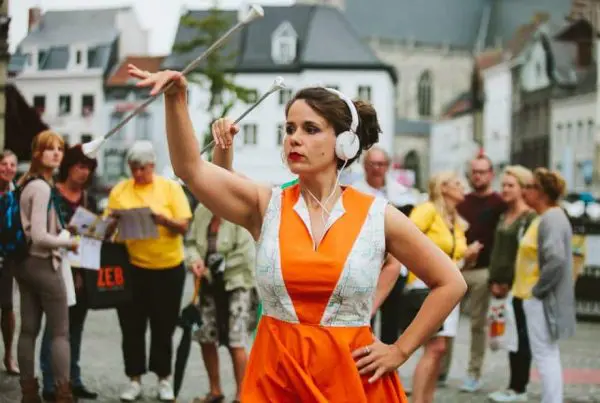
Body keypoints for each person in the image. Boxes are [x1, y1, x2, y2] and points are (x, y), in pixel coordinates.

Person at [128, 64, 467, 401]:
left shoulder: (378, 215)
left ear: (345, 142)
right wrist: (176, 98)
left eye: (310, 129)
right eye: (289, 128)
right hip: (276, 378)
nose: (294, 138)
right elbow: (190, 168)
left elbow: (450, 283)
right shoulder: (266, 205)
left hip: (350, 380)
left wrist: (400, 350)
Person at [105, 140, 192, 402]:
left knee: (163, 326)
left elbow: (184, 226)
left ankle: (164, 378)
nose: (137, 173)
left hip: (168, 269)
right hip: (132, 268)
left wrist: (163, 219)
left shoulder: (170, 188)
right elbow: (105, 230)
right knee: (131, 326)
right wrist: (113, 221)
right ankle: (134, 379)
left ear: (152, 165)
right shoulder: (120, 190)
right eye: (133, 168)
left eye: (142, 168)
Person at [404, 171, 482, 403]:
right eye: (457, 183)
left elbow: (456, 260)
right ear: (443, 187)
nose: (463, 188)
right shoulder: (428, 210)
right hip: (425, 285)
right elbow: (404, 237)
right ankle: (418, 400)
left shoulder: (455, 220)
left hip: (447, 288)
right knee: (435, 347)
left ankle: (427, 399)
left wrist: (469, 255)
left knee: (440, 350)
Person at [14, 130, 80, 403]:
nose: (56, 154)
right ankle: (64, 393)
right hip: (43, 264)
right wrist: (68, 243)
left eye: (60, 149)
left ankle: (28, 393)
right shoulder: (41, 188)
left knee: (28, 329)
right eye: (49, 149)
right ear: (37, 154)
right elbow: (40, 236)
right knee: (60, 333)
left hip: (24, 264)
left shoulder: (25, 183)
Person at [39, 145, 99, 401]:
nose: (84, 172)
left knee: (76, 328)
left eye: (88, 168)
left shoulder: (88, 199)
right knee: (54, 327)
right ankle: (50, 382)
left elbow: (93, 237)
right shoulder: (52, 194)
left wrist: (103, 228)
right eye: (80, 166)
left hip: (82, 271)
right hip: (55, 267)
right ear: (69, 166)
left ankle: (73, 379)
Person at [514, 168, 575, 403]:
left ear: (541, 192)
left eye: (529, 186)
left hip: (540, 297)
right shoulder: (547, 217)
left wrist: (538, 290)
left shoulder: (551, 219)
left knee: (545, 354)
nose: (525, 191)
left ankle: (552, 399)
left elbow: (556, 259)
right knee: (547, 353)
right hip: (536, 295)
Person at [185, 203, 256, 403]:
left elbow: (245, 254)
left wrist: (212, 269)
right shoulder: (201, 210)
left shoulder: (239, 211)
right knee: (205, 336)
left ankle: (242, 396)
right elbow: (190, 243)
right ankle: (215, 391)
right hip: (208, 286)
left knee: (236, 341)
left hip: (237, 285)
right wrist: (195, 261)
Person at [454, 155, 506, 391]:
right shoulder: (462, 201)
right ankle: (441, 369)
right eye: (474, 171)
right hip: (457, 269)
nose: (478, 176)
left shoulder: (499, 203)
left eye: (482, 171)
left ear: (491, 174)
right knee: (445, 322)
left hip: (483, 271)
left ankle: (473, 373)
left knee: (478, 325)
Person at [486, 166, 536, 402]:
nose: (505, 189)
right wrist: (493, 280)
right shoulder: (504, 215)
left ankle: (519, 387)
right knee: (509, 337)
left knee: (521, 338)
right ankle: (513, 385)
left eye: (510, 185)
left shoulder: (529, 218)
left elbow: (525, 256)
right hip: (500, 287)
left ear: (522, 188)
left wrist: (508, 281)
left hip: (518, 288)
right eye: (503, 185)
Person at [352, 147, 406, 343]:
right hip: (367, 266)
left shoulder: (401, 192)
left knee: (392, 322)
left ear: (388, 166)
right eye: (372, 164)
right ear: (364, 166)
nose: (377, 168)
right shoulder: (354, 192)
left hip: (395, 265)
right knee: (366, 320)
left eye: (381, 164)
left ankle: (388, 358)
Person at [0, 149, 19, 376]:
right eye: (4, 164)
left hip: (7, 257)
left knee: (7, 307)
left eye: (12, 165)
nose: (8, 168)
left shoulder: (17, 194)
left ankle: (8, 355)